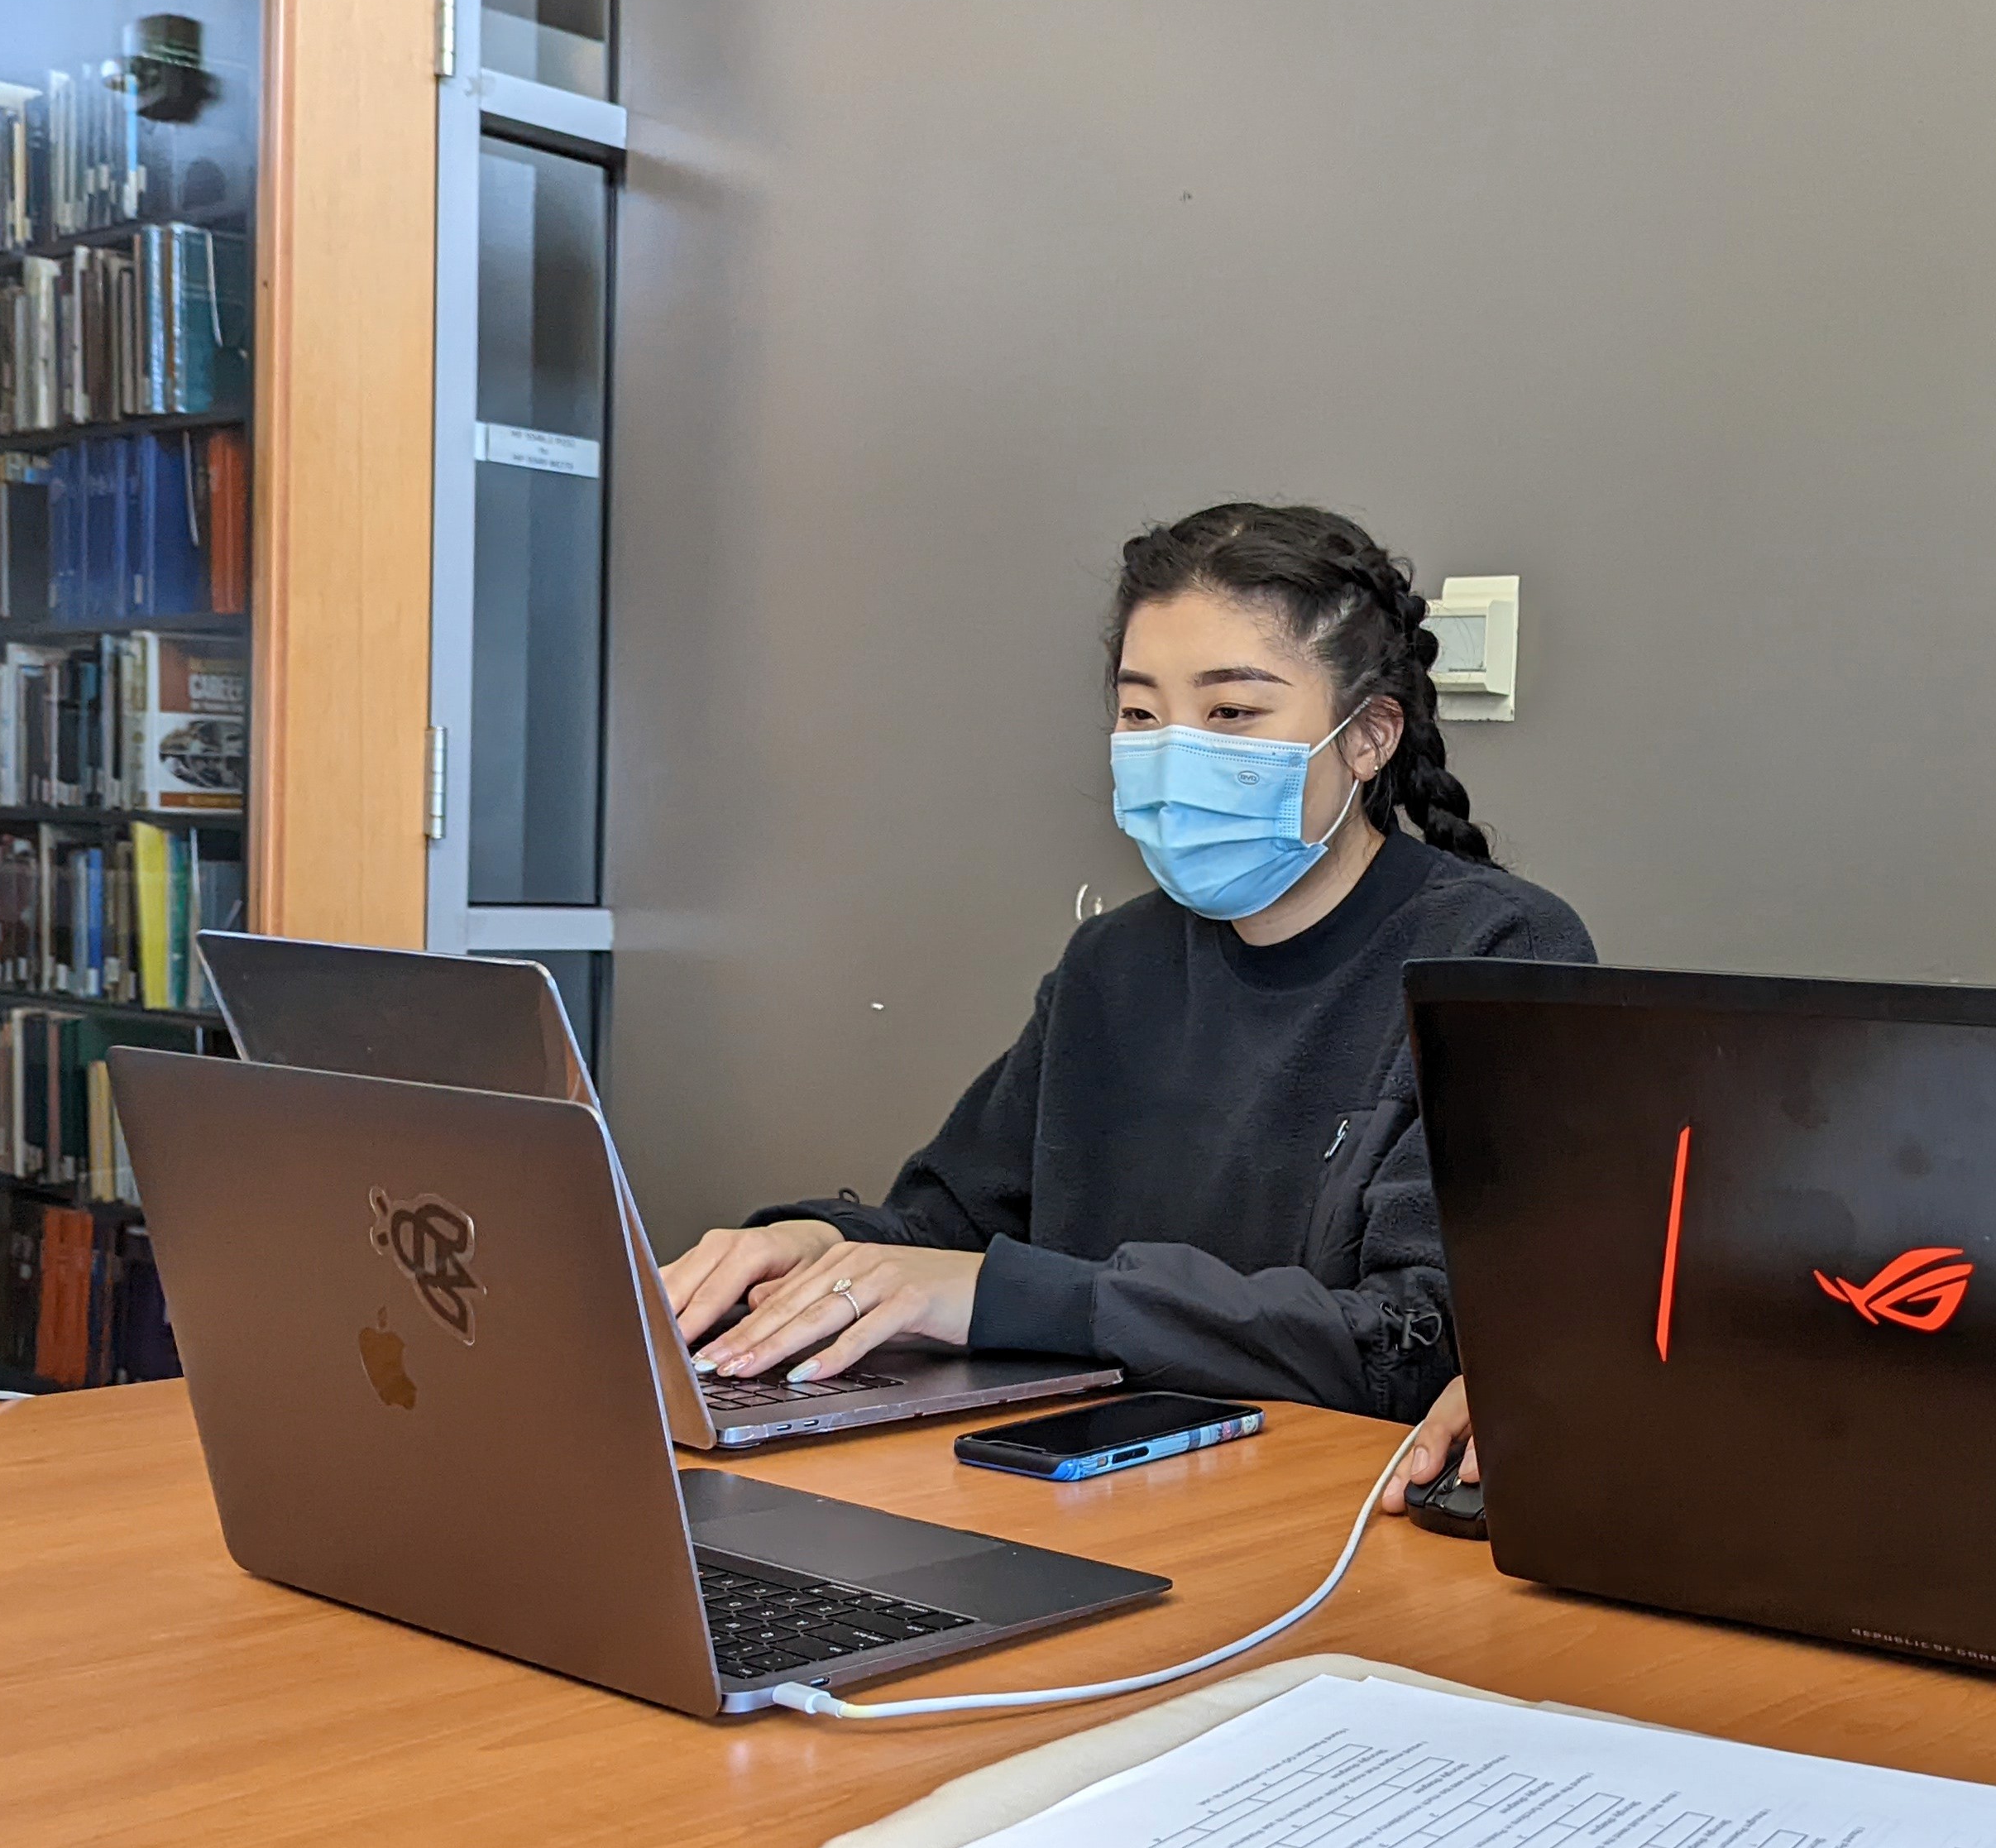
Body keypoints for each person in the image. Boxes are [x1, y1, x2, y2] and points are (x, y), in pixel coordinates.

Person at [661, 502, 1592, 1435]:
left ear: (1369, 736)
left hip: (1321, 1489)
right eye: (1142, 714)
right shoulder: (1112, 964)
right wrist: (817, 1245)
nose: (1176, 753)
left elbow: (1420, 1344)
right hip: (1088, 1470)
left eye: (1231, 713)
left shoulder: (1497, 952)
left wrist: (1021, 1297)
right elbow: (949, 1230)